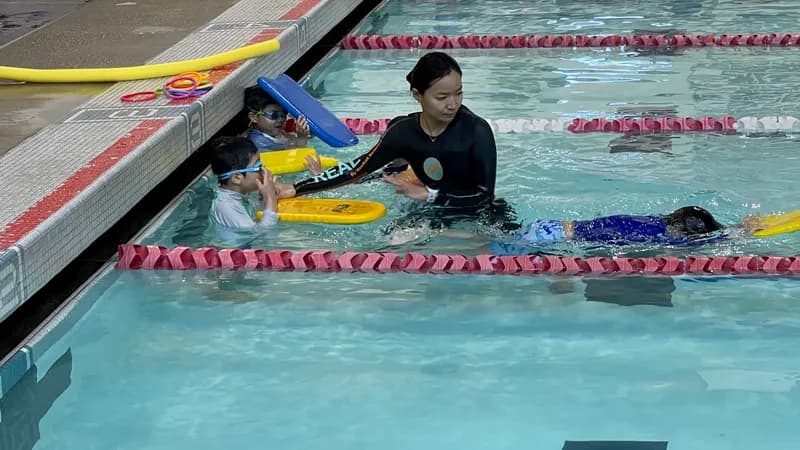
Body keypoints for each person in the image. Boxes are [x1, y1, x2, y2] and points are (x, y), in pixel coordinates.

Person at [276, 52, 503, 216]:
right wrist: (296, 188)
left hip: (481, 216)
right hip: (433, 212)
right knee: (393, 246)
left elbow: (484, 196)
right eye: (442, 97)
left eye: (459, 93)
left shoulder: (476, 130)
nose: (453, 104)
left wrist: (430, 195)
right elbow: (357, 168)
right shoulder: (403, 133)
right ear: (417, 95)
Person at [488, 206, 731, 255]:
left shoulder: (654, 221)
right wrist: (735, 234)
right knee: (482, 251)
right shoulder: (661, 236)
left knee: (489, 242)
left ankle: (448, 234)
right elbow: (695, 244)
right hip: (550, 238)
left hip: (547, 226)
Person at [208, 136, 279, 246]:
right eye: (258, 166)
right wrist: (271, 199)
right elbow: (265, 236)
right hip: (233, 258)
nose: (264, 170)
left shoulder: (239, 194)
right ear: (237, 178)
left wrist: (264, 199)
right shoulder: (226, 206)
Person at [243, 86, 312, 152]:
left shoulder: (274, 132)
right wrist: (302, 138)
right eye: (274, 115)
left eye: (284, 114)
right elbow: (288, 156)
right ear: (253, 117)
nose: (280, 119)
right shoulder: (257, 142)